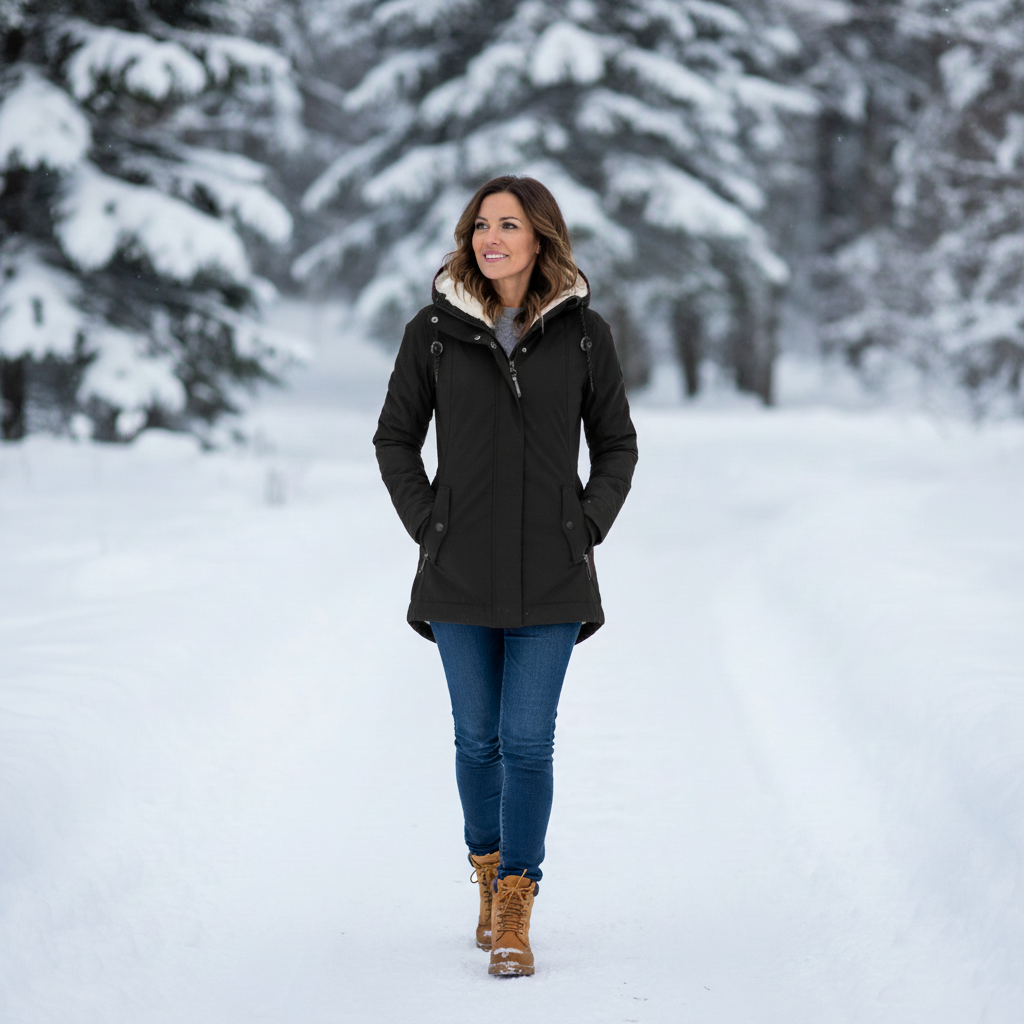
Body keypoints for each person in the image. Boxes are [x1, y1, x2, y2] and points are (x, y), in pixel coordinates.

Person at [373, 175, 637, 977]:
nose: (491, 238)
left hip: (552, 574)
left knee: (526, 741)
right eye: (481, 225)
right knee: (476, 738)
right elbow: (395, 438)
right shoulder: (434, 332)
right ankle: (487, 873)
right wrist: (431, 523)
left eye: (509, 225)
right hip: (458, 573)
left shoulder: (584, 334)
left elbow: (617, 445)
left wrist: (584, 526)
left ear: (541, 237)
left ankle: (518, 900)